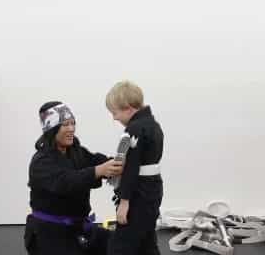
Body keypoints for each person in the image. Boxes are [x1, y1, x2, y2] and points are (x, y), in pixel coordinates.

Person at [24, 101, 123, 255]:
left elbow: (95, 160)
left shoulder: (75, 151)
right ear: (52, 129)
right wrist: (98, 171)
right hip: (49, 234)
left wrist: (117, 164)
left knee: (123, 244)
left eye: (73, 123)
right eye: (65, 125)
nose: (71, 129)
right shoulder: (41, 162)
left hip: (78, 228)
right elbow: (66, 181)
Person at [106, 81, 164, 255]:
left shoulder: (134, 129)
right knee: (147, 240)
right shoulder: (154, 126)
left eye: (115, 112)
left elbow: (131, 168)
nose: (114, 118)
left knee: (121, 245)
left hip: (138, 193)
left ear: (127, 108)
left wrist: (124, 203)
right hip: (153, 189)